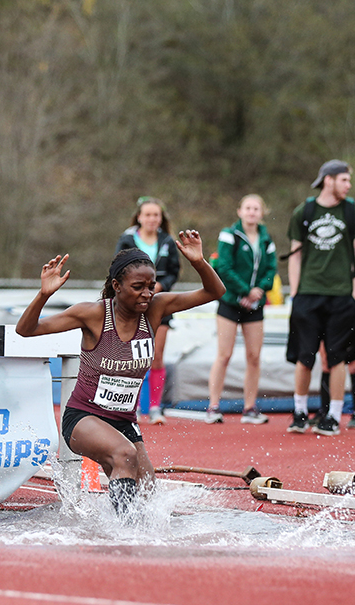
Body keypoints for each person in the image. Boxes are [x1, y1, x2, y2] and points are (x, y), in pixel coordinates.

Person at [15, 232, 225, 518]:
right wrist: (43, 295)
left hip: (124, 421)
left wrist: (199, 262)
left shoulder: (155, 309)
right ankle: (123, 534)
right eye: (138, 287)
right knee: (124, 455)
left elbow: (215, 292)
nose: (147, 294)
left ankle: (114, 524)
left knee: (149, 492)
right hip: (83, 418)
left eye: (150, 286)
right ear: (117, 286)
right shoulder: (92, 314)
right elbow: (25, 330)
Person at [285, 160, 355, 436]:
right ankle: (299, 411)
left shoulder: (352, 211)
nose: (348, 185)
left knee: (337, 357)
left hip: (341, 295)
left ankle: (332, 415)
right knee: (304, 356)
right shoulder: (304, 211)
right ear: (328, 180)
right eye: (344, 179)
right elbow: (294, 256)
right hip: (308, 294)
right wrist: (295, 291)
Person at [206, 194, 278, 424]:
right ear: (240, 211)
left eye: (256, 208)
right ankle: (213, 406)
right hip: (230, 302)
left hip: (254, 305)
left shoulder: (266, 240)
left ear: (262, 212)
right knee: (224, 354)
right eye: (248, 208)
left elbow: (271, 270)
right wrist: (245, 290)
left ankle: (249, 408)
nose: (251, 212)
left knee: (254, 356)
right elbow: (224, 267)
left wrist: (259, 290)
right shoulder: (229, 235)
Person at [116, 197, 181, 425]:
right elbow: (118, 268)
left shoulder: (167, 241)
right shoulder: (127, 240)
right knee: (131, 356)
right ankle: (129, 407)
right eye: (148, 214)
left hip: (160, 303)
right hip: (132, 305)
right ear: (139, 217)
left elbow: (174, 271)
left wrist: (160, 287)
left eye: (156, 215)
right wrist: (139, 289)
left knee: (156, 355)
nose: (152, 219)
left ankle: (155, 407)